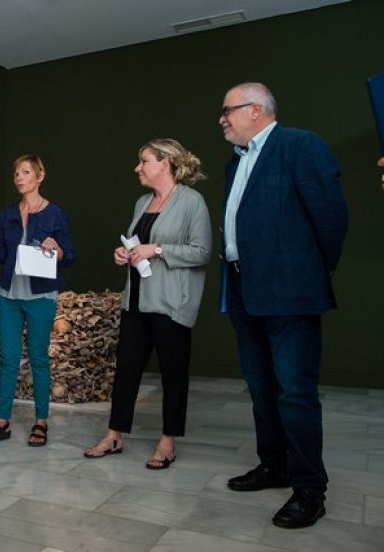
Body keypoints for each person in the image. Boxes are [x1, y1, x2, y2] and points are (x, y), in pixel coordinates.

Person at [218, 82, 348, 528]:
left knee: (295, 391)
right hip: (242, 288)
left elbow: (331, 217)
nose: (222, 119)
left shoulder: (299, 145)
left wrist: (310, 271)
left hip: (291, 290)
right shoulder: (236, 162)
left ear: (256, 109)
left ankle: (310, 488)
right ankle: (274, 465)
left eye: (228, 110)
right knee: (260, 385)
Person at [83, 139, 211, 469]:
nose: (137, 168)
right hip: (136, 301)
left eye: (143, 161)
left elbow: (201, 252)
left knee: (173, 374)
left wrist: (157, 250)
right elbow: (137, 245)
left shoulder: (192, 202)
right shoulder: (142, 202)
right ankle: (114, 435)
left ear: (164, 163)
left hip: (171, 304)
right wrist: (124, 253)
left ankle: (167, 442)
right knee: (126, 371)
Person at [0, 155, 74, 447]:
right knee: (8, 359)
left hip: (41, 296)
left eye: (25, 172)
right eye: (16, 173)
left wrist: (56, 249)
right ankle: (2, 422)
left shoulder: (55, 214)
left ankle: (41, 422)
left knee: (39, 357)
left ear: (40, 176)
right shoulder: (7, 215)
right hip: (9, 296)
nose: (19, 177)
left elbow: (69, 256)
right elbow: (1, 256)